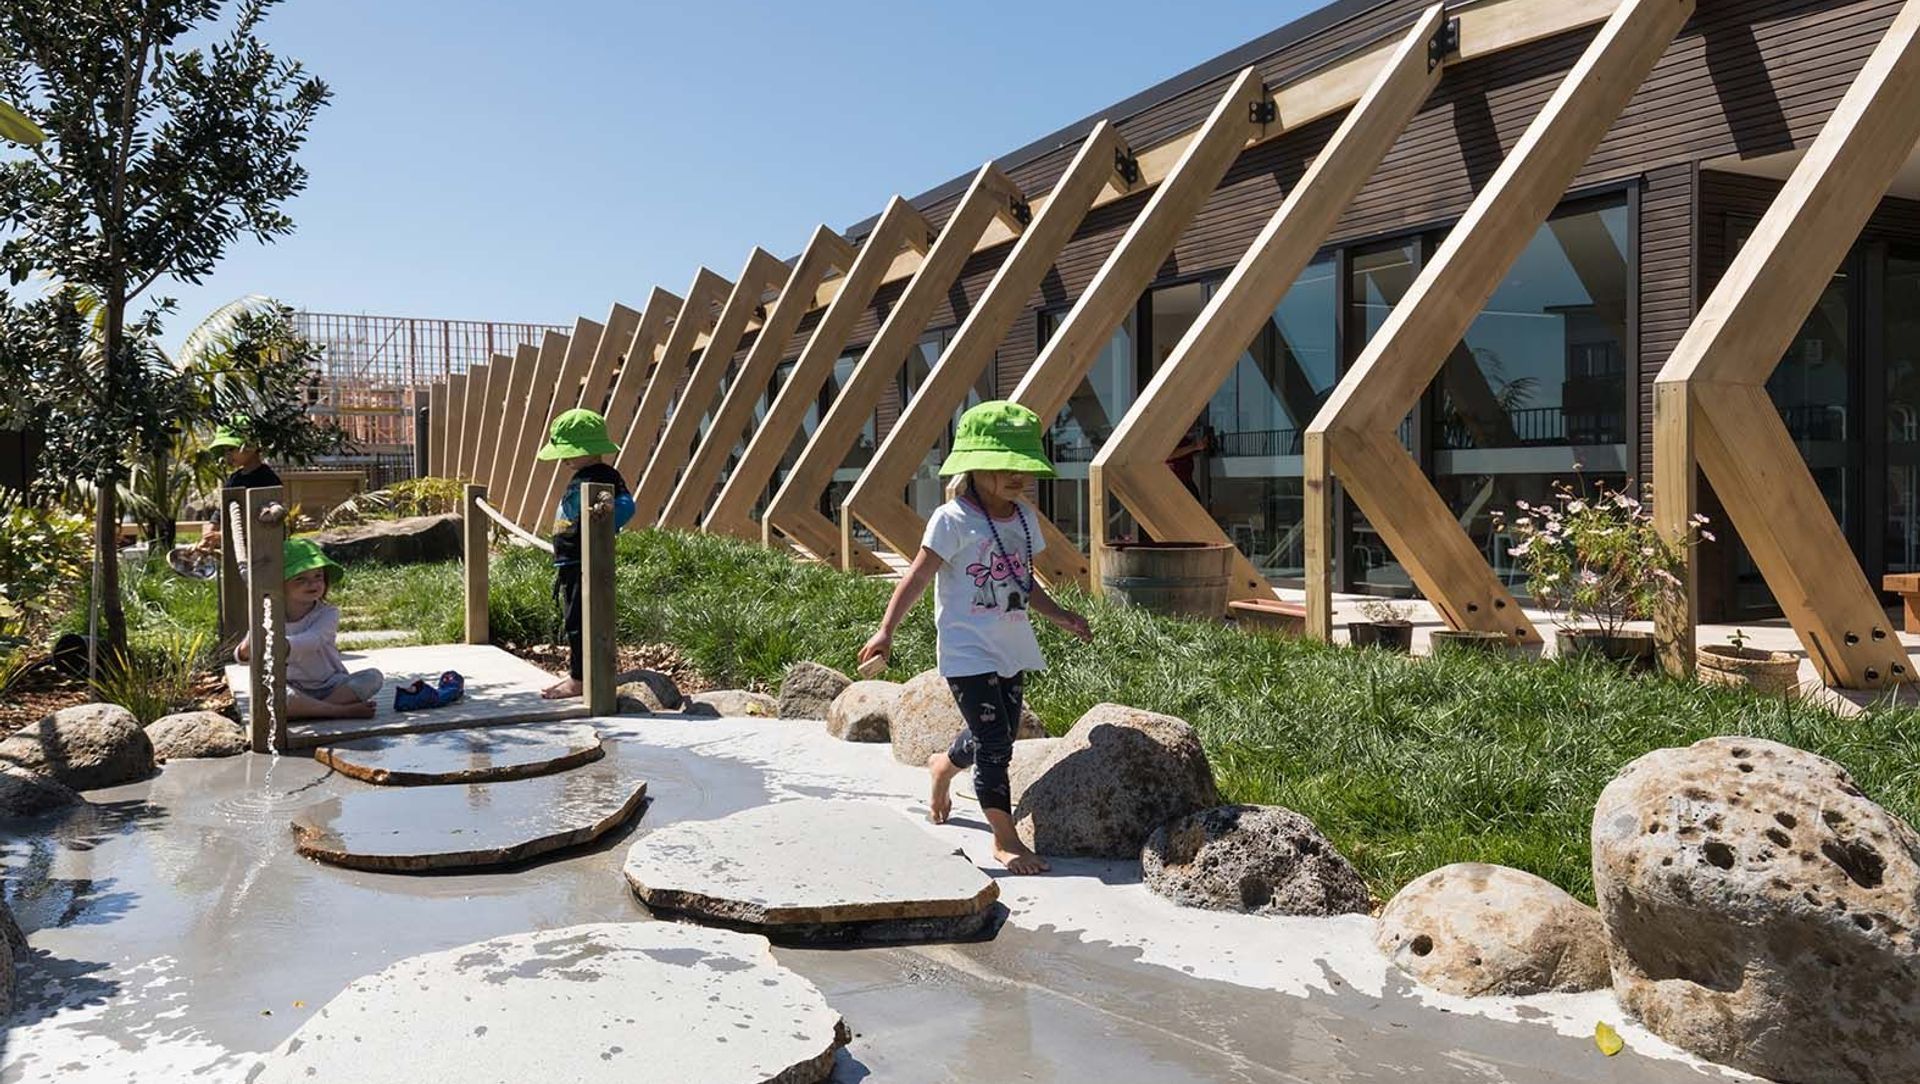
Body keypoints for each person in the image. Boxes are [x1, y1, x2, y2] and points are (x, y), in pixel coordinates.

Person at [858, 401, 1092, 875]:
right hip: (967, 649)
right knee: (995, 744)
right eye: (1002, 464)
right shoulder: (951, 519)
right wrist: (886, 631)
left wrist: (1059, 614)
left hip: (1011, 644)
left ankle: (943, 764)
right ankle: (1005, 840)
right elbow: (918, 578)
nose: (1016, 475)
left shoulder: (1024, 519)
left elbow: (1023, 583)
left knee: (1000, 731)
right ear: (973, 464)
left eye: (1021, 465)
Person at [536, 408, 636, 700]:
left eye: (567, 452)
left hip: (586, 562)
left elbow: (627, 506)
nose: (563, 459)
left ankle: (581, 679)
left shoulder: (604, 476)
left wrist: (605, 517)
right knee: (573, 621)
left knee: (581, 623)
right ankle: (578, 674)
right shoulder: (583, 475)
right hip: (571, 561)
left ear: (587, 449)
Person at [234, 538, 383, 719]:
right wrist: (245, 650)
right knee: (274, 692)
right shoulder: (269, 614)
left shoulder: (328, 614)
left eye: (318, 577)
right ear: (281, 585)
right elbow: (245, 655)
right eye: (300, 579)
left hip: (331, 685)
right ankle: (339, 711)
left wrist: (282, 645)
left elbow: (314, 639)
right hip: (291, 686)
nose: (312, 584)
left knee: (373, 677)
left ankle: (313, 710)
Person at [196, 421, 283, 553]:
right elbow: (222, 509)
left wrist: (222, 536)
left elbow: (266, 521)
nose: (227, 455)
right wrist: (212, 527)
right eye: (225, 451)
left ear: (252, 446)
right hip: (238, 548)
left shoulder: (267, 479)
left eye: (231, 449)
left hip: (264, 550)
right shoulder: (233, 479)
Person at [1166, 415, 1209, 501]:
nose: (1193, 426)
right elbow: (1170, 454)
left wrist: (1202, 444)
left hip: (1187, 482)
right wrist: (1194, 447)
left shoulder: (1187, 440)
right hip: (1175, 483)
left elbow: (1194, 450)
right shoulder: (1172, 438)